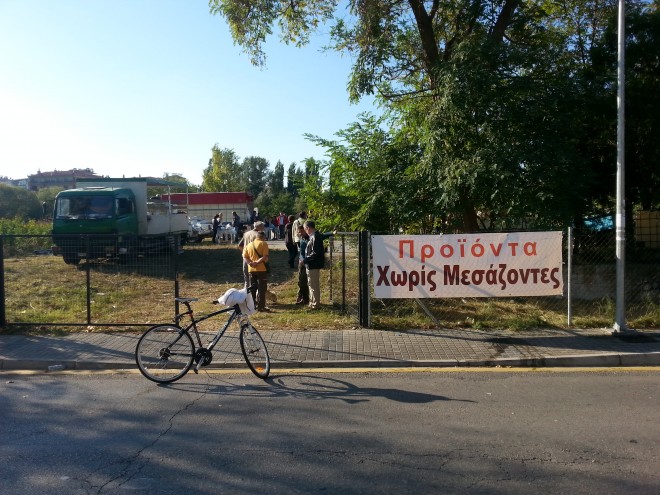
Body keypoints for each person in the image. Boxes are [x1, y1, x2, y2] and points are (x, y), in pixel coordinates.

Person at [303, 220, 335, 309]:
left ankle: (315, 304)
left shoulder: (315, 236)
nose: (305, 231)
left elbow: (315, 253)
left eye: (305, 229)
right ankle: (312, 302)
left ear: (308, 228)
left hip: (313, 264)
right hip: (310, 264)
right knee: (311, 284)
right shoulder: (314, 236)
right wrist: (331, 232)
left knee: (314, 285)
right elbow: (324, 235)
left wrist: (305, 260)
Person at [242, 230, 270, 312]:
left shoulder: (249, 245)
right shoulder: (263, 243)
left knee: (253, 288)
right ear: (263, 237)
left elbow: (244, 256)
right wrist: (256, 262)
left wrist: (250, 263)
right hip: (261, 269)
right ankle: (261, 306)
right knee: (262, 288)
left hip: (251, 269)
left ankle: (253, 305)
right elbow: (265, 257)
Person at [238, 221, 265, 288]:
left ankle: (246, 291)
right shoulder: (258, 235)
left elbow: (240, 245)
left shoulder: (246, 234)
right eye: (263, 227)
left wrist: (244, 253)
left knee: (246, 277)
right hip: (255, 258)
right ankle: (256, 292)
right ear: (259, 227)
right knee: (256, 278)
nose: (263, 229)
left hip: (246, 258)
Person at [295, 225, 310, 305]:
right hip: (301, 262)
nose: (300, 233)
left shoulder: (310, 238)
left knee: (303, 281)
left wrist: (332, 233)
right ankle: (302, 297)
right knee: (300, 281)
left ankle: (305, 298)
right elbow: (301, 251)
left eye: (302, 231)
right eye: (299, 232)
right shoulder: (302, 239)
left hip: (307, 262)